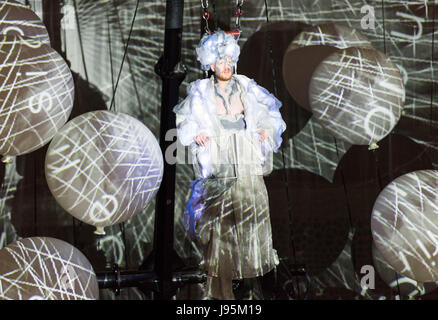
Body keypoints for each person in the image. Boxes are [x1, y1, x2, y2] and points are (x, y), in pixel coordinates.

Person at [174, 30, 286, 300]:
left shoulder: (246, 86)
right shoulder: (201, 91)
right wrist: (196, 133)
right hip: (219, 155)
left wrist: (265, 132)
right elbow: (185, 120)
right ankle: (220, 293)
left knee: (251, 216)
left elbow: (271, 113)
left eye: (229, 60)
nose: (225, 65)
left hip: (245, 155)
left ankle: (254, 291)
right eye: (220, 61)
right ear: (211, 65)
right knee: (220, 223)